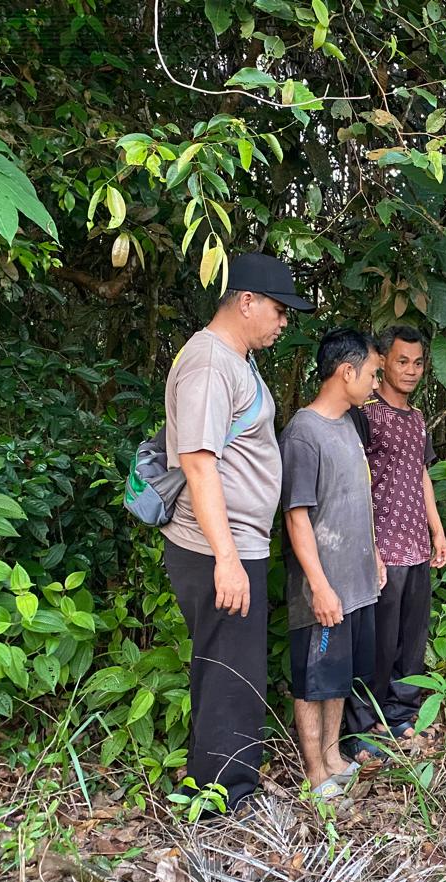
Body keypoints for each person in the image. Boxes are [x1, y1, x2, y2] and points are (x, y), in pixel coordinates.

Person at [161, 251, 315, 811]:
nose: (282, 322)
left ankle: (209, 783)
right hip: (214, 548)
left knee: (226, 668)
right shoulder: (209, 364)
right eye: (278, 310)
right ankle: (226, 797)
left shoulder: (235, 358)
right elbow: (199, 463)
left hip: (235, 543)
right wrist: (227, 558)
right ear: (245, 301)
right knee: (232, 674)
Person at [280, 329, 387, 798]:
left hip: (356, 581)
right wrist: (320, 586)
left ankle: (332, 756)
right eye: (372, 374)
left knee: (338, 675)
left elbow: (357, 497)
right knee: (312, 679)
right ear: (346, 372)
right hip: (319, 587)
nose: (376, 384)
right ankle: (314, 772)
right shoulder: (303, 433)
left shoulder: (350, 422)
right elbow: (296, 515)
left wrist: (376, 556)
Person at [350, 325, 446, 746]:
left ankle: (401, 712)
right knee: (378, 641)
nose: (411, 370)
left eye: (418, 362)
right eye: (401, 361)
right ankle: (363, 720)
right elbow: (354, 478)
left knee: (412, 638)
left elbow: (421, 474)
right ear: (384, 362)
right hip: (382, 546)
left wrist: (437, 531)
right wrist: (368, 543)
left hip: (416, 545)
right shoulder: (365, 413)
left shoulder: (418, 418)